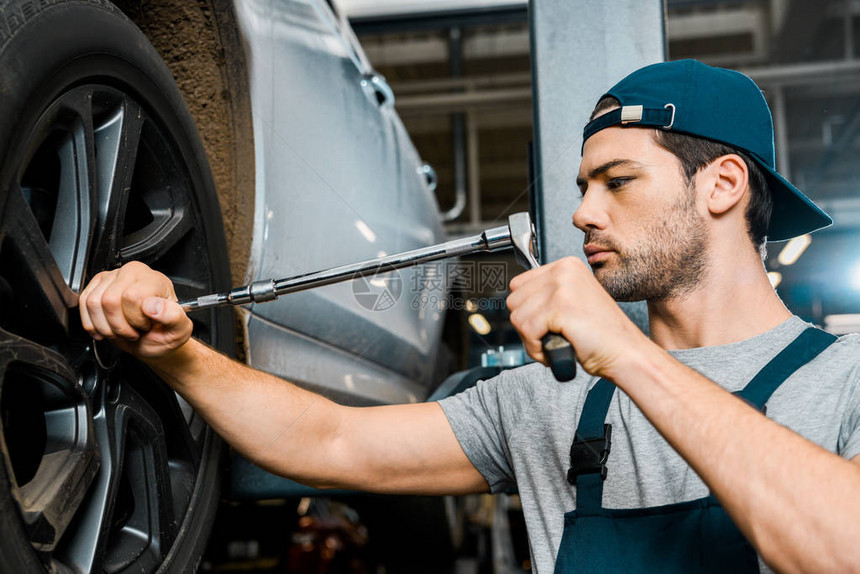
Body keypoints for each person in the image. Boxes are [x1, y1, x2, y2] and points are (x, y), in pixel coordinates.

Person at [80, 59, 860, 573]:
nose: (583, 212)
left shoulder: (846, 381)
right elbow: (331, 440)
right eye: (582, 185)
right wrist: (175, 351)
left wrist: (628, 355)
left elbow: (838, 546)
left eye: (616, 181)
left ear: (722, 184)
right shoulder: (545, 400)